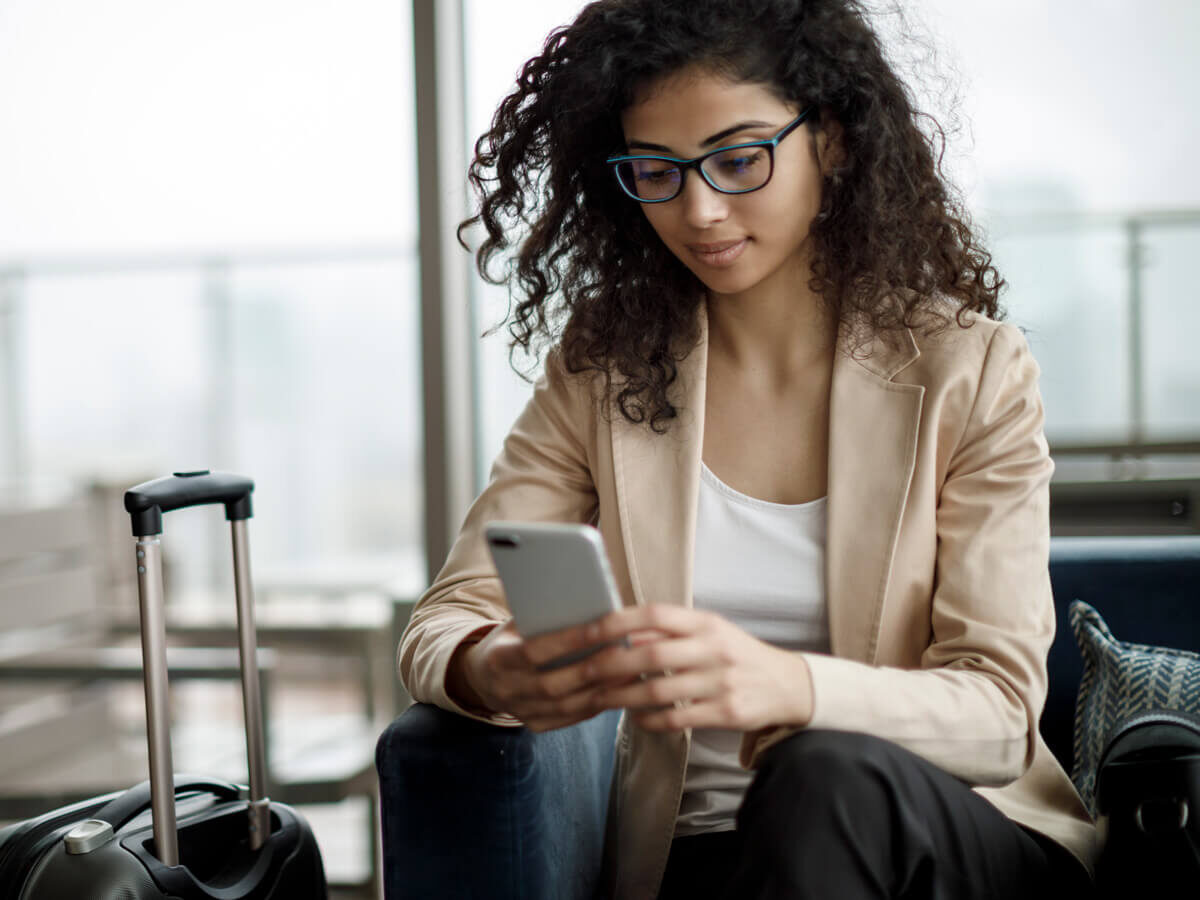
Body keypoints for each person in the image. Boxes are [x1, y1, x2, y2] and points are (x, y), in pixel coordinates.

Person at [399, 0, 1096, 896]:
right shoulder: (604, 370)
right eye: (656, 170)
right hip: (705, 857)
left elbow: (1000, 717)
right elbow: (442, 620)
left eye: (738, 159)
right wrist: (495, 667)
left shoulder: (970, 369)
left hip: (950, 837)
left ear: (833, 139)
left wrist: (788, 687)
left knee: (819, 775)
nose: (700, 209)